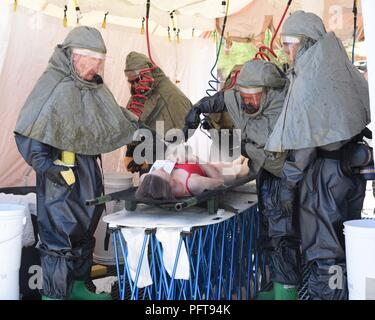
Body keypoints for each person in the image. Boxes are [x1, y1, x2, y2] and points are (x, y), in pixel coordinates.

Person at [14, 26, 139, 300]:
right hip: (62, 179)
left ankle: (81, 286)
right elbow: (30, 130)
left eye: (99, 61)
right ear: (72, 56)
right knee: (61, 238)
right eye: (90, 59)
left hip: (88, 173)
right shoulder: (53, 84)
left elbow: (109, 116)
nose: (95, 67)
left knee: (85, 231)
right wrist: (48, 167)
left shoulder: (92, 86)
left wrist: (137, 127)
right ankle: (55, 296)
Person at [266, 11, 371, 300]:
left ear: (305, 42)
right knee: (342, 239)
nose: (287, 50)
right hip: (349, 172)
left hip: (324, 177)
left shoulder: (311, 76)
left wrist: (287, 182)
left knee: (324, 249)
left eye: (290, 43)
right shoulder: (337, 67)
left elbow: (306, 139)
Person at [184, 60, 301, 299]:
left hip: (285, 175)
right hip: (266, 174)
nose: (246, 101)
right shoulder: (243, 98)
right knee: (267, 230)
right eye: (243, 95)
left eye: (252, 97)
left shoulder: (283, 106)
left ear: (266, 92)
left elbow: (269, 146)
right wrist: (198, 108)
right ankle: (272, 285)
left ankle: (286, 291)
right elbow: (224, 99)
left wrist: (245, 147)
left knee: (283, 235)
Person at [123, 51, 193, 173]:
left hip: (168, 160)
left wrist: (152, 154)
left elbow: (183, 129)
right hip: (150, 157)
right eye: (131, 81)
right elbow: (134, 122)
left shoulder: (170, 94)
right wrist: (132, 150)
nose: (135, 85)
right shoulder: (142, 92)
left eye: (137, 80)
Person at [136, 144, 249, 200]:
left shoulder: (151, 181)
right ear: (169, 183)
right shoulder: (193, 183)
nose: (160, 168)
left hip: (208, 165)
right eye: (162, 172)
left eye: (155, 171)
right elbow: (219, 180)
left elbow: (144, 178)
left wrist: (174, 156)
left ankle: (249, 153)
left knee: (240, 158)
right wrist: (193, 158)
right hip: (220, 172)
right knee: (247, 166)